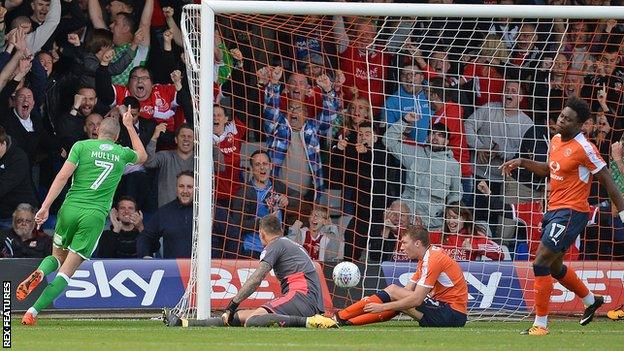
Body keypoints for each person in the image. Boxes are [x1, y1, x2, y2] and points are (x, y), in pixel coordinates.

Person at [500, 97, 623, 335]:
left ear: (580, 125)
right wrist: (522, 161)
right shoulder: (556, 140)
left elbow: (608, 180)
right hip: (554, 209)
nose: (561, 121)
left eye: (568, 119)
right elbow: (549, 169)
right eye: (561, 116)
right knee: (555, 267)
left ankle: (541, 324)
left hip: (572, 212)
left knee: (540, 263)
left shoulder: (585, 148)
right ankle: (590, 300)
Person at [16, 107, 147, 326]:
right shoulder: (121, 153)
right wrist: (129, 125)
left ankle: (40, 272)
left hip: (70, 209)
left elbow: (62, 177)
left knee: (57, 256)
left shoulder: (81, 146)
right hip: (94, 216)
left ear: (97, 132)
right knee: (67, 271)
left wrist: (45, 206)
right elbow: (142, 156)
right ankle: (32, 312)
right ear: (116, 137)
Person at [165, 215, 337, 329]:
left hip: (301, 297)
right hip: (307, 299)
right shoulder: (289, 244)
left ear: (262, 234)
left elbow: (256, 279)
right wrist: (233, 311)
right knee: (236, 318)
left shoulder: (276, 245)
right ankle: (184, 323)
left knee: (254, 320)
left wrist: (233, 304)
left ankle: (311, 322)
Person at [334, 225, 468, 327]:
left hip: (451, 312)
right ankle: (348, 322)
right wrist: (376, 300)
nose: (401, 247)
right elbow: (406, 291)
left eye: (404, 242)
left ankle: (339, 317)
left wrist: (382, 306)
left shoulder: (433, 259)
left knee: (393, 291)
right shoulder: (426, 257)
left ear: (417, 243)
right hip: (444, 311)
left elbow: (416, 299)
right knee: (396, 299)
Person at [137, 171, 194, 259]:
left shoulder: (212, 212)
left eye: (189, 187)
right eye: (181, 186)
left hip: (210, 270)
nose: (185, 191)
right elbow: (146, 237)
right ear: (176, 188)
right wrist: (145, 255)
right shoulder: (165, 212)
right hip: (174, 270)